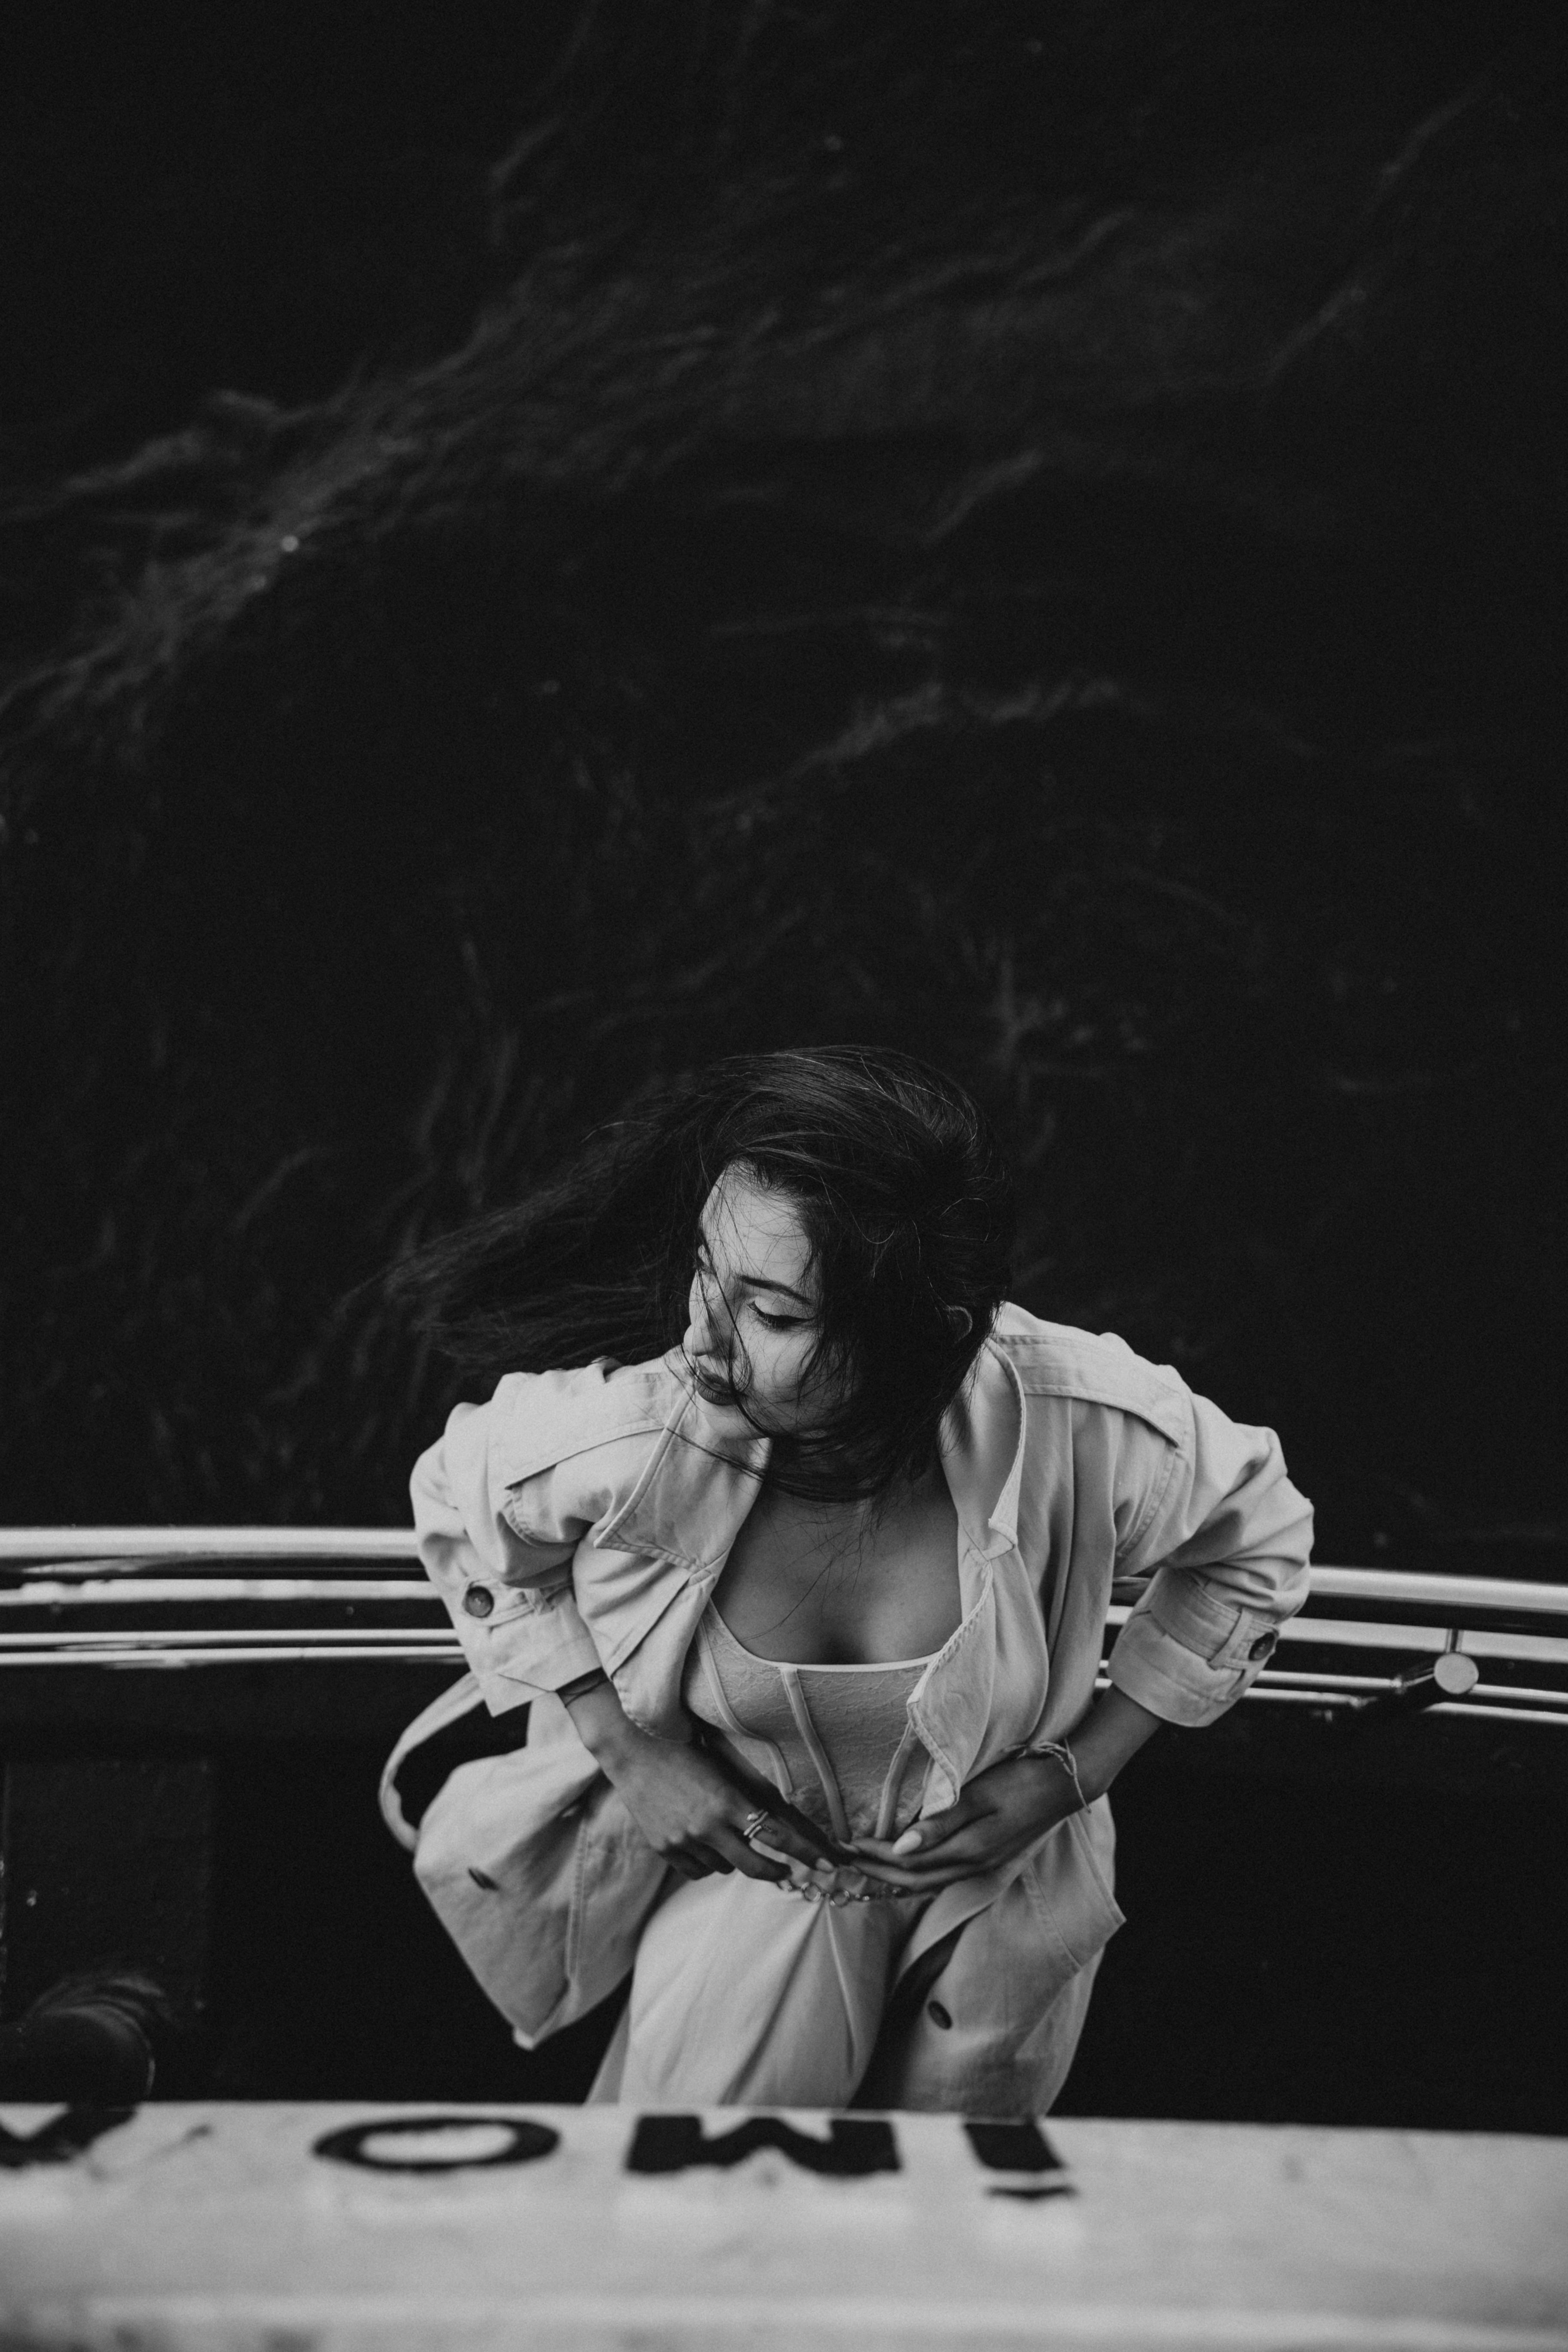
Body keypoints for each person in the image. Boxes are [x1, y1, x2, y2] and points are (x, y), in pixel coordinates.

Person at [380, 1046, 1312, 2112]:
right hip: (756, 1898)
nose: (699, 1336)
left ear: (924, 1338)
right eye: (704, 1270)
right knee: (709, 2190)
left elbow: (1260, 1537)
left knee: (953, 2195)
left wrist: (1074, 1775)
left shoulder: (1080, 1421)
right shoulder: (642, 1434)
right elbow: (456, 1495)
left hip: (1006, 1901)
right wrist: (627, 1750)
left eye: (774, 1315)